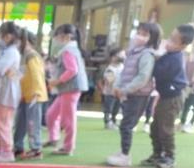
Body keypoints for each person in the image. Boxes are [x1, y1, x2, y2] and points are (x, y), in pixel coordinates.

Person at [141, 23, 194, 168]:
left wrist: (153, 59)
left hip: (173, 97)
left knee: (165, 127)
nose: (168, 42)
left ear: (183, 46)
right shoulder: (170, 54)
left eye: (173, 41)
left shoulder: (175, 58)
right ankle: (157, 154)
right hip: (166, 96)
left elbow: (159, 72)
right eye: (170, 38)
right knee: (155, 127)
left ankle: (170, 157)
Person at [106, 21, 160, 166]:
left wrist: (124, 89)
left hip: (139, 94)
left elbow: (143, 77)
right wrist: (117, 86)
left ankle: (125, 156)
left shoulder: (147, 54)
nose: (140, 36)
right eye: (139, 33)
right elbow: (124, 72)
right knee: (126, 123)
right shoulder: (133, 51)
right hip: (129, 93)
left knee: (127, 125)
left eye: (145, 34)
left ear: (152, 38)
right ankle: (123, 151)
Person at [43, 24, 88, 156]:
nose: (56, 40)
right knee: (51, 114)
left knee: (67, 119)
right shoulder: (70, 49)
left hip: (71, 88)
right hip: (67, 89)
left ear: (67, 37)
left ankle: (68, 147)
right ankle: (53, 138)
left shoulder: (68, 51)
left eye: (58, 36)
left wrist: (57, 81)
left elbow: (72, 70)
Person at [0, 21, 21, 162]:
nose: (0, 38)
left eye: (2, 35)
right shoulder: (5, 51)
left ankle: (6, 151)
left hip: (7, 93)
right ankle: (1, 148)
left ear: (8, 36)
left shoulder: (11, 52)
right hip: (2, 91)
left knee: (3, 122)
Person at [14, 29, 48, 159]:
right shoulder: (24, 56)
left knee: (32, 123)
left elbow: (36, 75)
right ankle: (18, 147)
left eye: (19, 40)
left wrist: (36, 92)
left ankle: (36, 149)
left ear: (26, 41)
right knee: (20, 123)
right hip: (26, 95)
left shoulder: (31, 55)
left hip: (34, 95)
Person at [99, 48, 124, 129]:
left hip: (119, 92)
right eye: (120, 55)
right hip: (110, 93)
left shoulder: (122, 67)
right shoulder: (110, 69)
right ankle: (107, 122)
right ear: (113, 57)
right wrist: (115, 90)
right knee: (108, 108)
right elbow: (110, 81)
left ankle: (113, 121)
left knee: (116, 108)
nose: (122, 57)